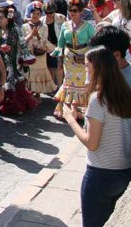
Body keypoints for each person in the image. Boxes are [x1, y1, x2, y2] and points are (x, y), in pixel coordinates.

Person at [61, 46, 131, 227]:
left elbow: (92, 143)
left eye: (86, 66)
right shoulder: (122, 93)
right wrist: (87, 116)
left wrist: (70, 119)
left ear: (97, 68)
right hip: (124, 172)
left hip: (101, 174)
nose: (85, 70)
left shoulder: (97, 99)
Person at [53, 0, 96, 119]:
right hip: (69, 59)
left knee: (82, 83)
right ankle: (67, 110)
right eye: (70, 10)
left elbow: (94, 43)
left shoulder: (88, 26)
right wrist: (60, 59)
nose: (72, 13)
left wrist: (87, 57)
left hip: (84, 59)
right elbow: (60, 42)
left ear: (81, 11)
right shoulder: (65, 25)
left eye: (75, 10)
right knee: (69, 82)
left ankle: (82, 112)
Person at [22, 2, 58, 95]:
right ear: (30, 14)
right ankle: (30, 94)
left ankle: (38, 94)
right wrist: (31, 35)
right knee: (29, 74)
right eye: (33, 13)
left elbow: (44, 41)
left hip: (40, 54)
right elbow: (22, 42)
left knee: (39, 74)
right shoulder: (24, 26)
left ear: (40, 15)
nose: (35, 15)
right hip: (29, 53)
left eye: (38, 14)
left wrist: (38, 36)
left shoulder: (44, 26)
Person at [43, 1, 66, 88]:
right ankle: (51, 86)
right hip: (47, 46)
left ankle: (60, 86)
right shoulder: (42, 20)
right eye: (46, 12)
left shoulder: (61, 18)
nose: (49, 14)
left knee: (59, 66)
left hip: (59, 45)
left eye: (51, 12)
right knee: (50, 67)